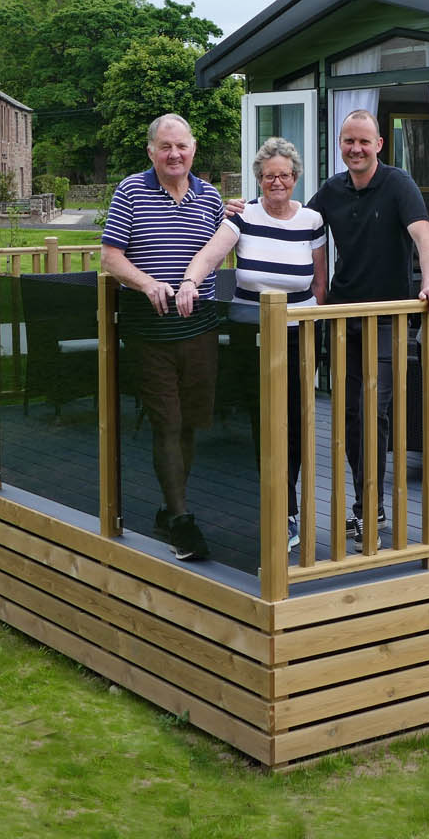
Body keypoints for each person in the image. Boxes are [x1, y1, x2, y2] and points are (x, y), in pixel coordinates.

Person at [306, 108, 429, 546]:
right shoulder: (331, 189)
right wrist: (247, 211)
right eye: (349, 141)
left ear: (379, 145)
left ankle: (370, 508)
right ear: (341, 145)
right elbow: (301, 229)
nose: (356, 149)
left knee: (374, 412)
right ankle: (369, 506)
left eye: (364, 141)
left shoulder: (399, 184)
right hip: (343, 317)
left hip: (387, 318)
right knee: (350, 415)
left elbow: (424, 237)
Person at [179, 137, 326, 551]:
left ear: (295, 178)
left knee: (294, 424)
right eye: (268, 176)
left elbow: (319, 282)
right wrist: (190, 280)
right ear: (258, 180)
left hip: (299, 336)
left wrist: (319, 326)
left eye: (283, 175)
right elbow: (210, 255)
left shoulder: (312, 222)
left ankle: (288, 506)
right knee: (260, 423)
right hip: (251, 338)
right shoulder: (242, 215)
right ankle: (265, 503)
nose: (276, 182)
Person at [99, 113, 224, 561]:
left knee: (190, 423)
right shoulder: (131, 191)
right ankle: (182, 520)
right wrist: (148, 283)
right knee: (166, 422)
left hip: (201, 328)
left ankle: (173, 508)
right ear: (151, 151)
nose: (175, 155)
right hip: (149, 331)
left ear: (193, 150)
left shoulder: (210, 197)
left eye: (182, 147)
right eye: (165, 147)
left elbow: (221, 250)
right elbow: (111, 258)